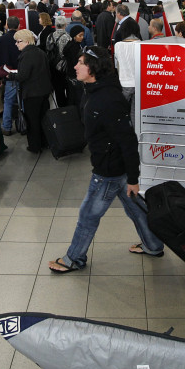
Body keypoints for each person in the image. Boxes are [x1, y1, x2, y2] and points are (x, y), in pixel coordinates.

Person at [48, 46, 164, 273]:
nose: (75, 66)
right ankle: (153, 244)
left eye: (80, 62)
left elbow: (128, 140)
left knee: (88, 215)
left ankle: (74, 259)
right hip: (115, 166)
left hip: (109, 171)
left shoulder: (108, 99)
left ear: (92, 68)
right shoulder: (95, 89)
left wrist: (133, 177)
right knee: (136, 210)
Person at [7, 29, 52, 153]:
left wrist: (10, 76)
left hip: (32, 93)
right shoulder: (40, 52)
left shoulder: (26, 55)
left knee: (32, 121)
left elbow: (22, 76)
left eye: (18, 41)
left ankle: (34, 146)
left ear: (26, 41)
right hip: (44, 91)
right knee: (43, 118)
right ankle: (45, 142)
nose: (16, 44)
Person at [0, 16, 21, 136]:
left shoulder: (0, 40)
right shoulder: (22, 39)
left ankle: (7, 127)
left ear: (6, 25)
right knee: (24, 101)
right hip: (22, 74)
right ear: (19, 26)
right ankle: (24, 125)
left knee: (8, 102)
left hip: (8, 75)